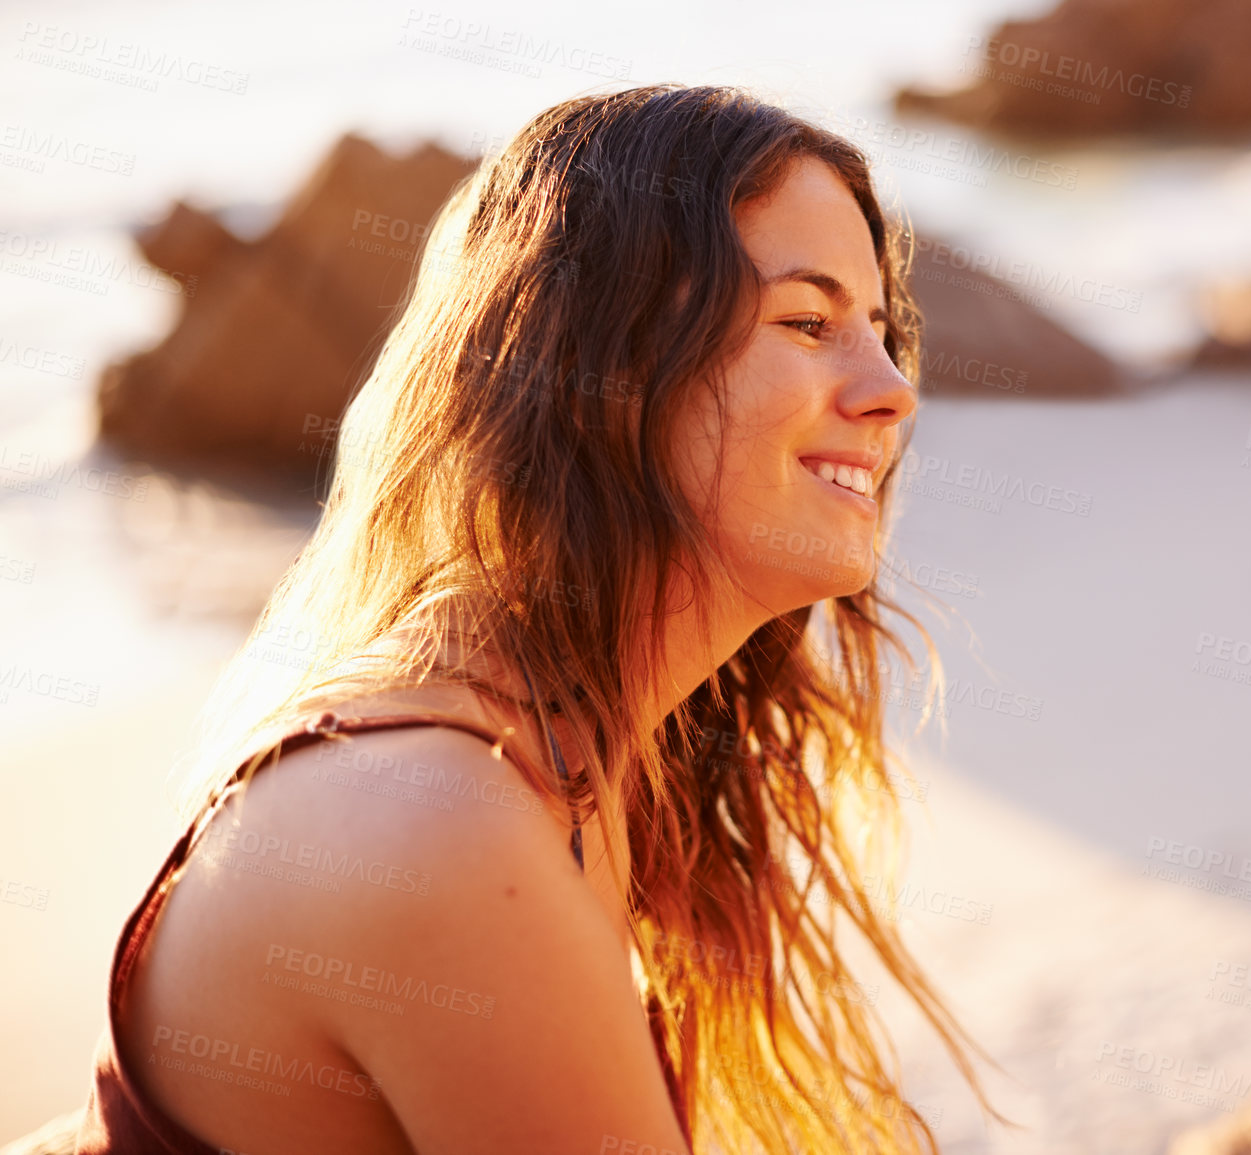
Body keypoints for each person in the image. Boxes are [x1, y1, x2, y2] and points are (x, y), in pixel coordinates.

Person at [62, 85, 1010, 1155]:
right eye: (807, 322)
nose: (893, 392)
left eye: (881, 335)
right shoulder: (447, 829)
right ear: (607, 370)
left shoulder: (559, 745)